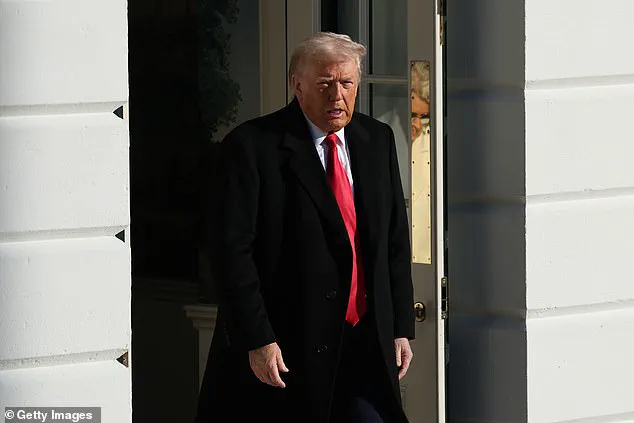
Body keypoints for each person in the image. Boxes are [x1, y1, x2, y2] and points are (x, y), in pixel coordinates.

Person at [196, 32, 415, 423]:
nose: (337, 96)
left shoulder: (376, 140)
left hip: (365, 343)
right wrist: (257, 339)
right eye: (325, 84)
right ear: (297, 86)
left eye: (346, 83)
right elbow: (231, 255)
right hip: (287, 350)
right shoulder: (252, 147)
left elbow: (394, 239)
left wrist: (399, 326)